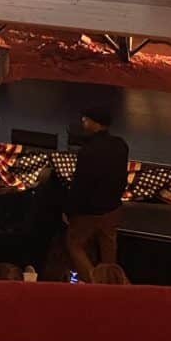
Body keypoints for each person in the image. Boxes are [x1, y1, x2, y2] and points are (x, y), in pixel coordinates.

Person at [65, 106, 129, 283]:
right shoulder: (121, 145)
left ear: (95, 123)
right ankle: (113, 284)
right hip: (112, 209)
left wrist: (69, 211)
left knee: (74, 244)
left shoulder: (88, 150)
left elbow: (81, 185)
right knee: (109, 251)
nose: (83, 121)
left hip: (89, 212)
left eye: (86, 118)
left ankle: (94, 281)